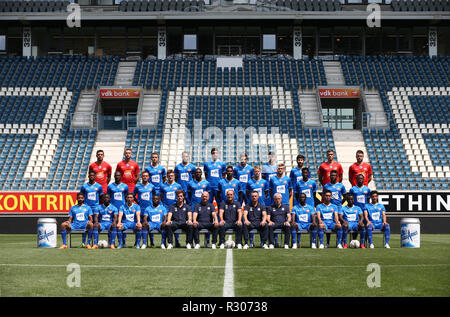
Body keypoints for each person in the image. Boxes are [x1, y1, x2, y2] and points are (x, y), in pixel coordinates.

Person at [133, 171, 155, 246]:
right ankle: (137, 242)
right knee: (139, 226)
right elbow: (133, 195)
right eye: (143, 176)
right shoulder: (138, 186)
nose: (145, 177)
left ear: (149, 177)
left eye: (146, 176)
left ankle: (152, 242)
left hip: (150, 210)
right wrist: (138, 202)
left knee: (149, 225)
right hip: (140, 210)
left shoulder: (152, 186)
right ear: (142, 177)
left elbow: (155, 197)